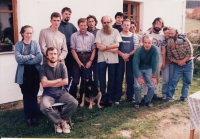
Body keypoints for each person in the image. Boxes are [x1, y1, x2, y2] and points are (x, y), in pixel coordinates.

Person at [40, 47, 78, 134]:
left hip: (62, 93)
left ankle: (62, 119)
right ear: (47, 56)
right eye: (51, 54)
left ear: (57, 55)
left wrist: (49, 82)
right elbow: (44, 84)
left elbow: (65, 81)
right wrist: (58, 80)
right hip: (48, 94)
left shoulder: (61, 65)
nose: (53, 56)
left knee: (74, 102)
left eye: (55, 54)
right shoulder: (43, 67)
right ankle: (61, 122)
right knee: (44, 107)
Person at [14, 25, 42, 125]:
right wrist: (30, 56)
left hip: (34, 72)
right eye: (27, 33)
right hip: (23, 73)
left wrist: (26, 61)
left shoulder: (35, 43)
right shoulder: (18, 45)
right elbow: (18, 59)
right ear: (22, 33)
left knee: (34, 94)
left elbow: (39, 58)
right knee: (26, 94)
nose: (29, 35)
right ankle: (28, 116)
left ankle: (34, 116)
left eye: (30, 33)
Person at [95, 15, 122, 106]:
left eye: (108, 22)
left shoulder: (116, 31)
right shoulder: (99, 32)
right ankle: (103, 98)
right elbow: (98, 46)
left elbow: (117, 45)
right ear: (102, 23)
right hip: (101, 58)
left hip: (113, 59)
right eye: (104, 22)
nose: (106, 24)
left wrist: (105, 47)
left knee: (112, 79)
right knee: (102, 79)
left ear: (111, 22)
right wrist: (111, 48)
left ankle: (110, 98)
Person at [69, 18, 96, 100]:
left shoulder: (91, 36)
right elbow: (72, 49)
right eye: (81, 25)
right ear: (78, 25)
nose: (83, 27)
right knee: (75, 80)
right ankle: (72, 98)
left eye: (84, 25)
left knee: (86, 80)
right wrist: (78, 62)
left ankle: (84, 99)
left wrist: (90, 61)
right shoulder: (74, 35)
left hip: (88, 57)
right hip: (78, 57)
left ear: (87, 25)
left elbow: (94, 49)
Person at [115, 19, 139, 104]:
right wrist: (123, 55)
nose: (126, 27)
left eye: (128, 25)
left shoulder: (134, 36)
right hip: (120, 59)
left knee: (130, 78)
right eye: (124, 25)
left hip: (130, 58)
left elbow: (136, 48)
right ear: (122, 26)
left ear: (130, 26)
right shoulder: (118, 35)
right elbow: (116, 48)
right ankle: (117, 97)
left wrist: (128, 55)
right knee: (119, 78)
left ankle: (130, 96)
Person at [166, 28, 194, 101]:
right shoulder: (169, 43)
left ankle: (184, 96)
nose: (170, 35)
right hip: (177, 64)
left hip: (188, 63)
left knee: (187, 81)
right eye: (169, 33)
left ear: (176, 34)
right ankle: (169, 97)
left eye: (172, 33)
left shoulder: (185, 41)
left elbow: (190, 53)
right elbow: (170, 56)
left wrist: (183, 61)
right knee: (174, 80)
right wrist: (178, 62)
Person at [133, 35, 158, 108]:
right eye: (145, 43)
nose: (147, 45)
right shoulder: (139, 51)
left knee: (152, 86)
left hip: (149, 68)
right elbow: (135, 64)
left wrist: (154, 76)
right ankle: (137, 101)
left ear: (152, 43)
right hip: (139, 68)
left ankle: (148, 100)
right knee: (137, 86)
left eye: (149, 43)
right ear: (143, 42)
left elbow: (154, 62)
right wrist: (138, 76)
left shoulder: (154, 50)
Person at [143, 17, 165, 99]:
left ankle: (155, 93)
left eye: (159, 24)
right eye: (156, 23)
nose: (157, 25)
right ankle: (146, 93)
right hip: (148, 59)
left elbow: (163, 49)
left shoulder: (162, 37)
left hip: (158, 59)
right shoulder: (148, 34)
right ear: (153, 24)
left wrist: (163, 61)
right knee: (147, 76)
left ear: (162, 25)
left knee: (156, 76)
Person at [58, 7, 77, 90]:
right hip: (60, 55)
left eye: (69, 14)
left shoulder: (72, 26)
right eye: (66, 14)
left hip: (70, 56)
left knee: (69, 74)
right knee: (60, 75)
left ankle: (67, 92)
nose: (68, 16)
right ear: (62, 14)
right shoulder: (57, 25)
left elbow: (77, 38)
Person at [86, 15, 99, 91]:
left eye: (92, 21)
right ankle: (88, 93)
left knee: (96, 76)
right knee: (88, 76)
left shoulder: (99, 31)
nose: (91, 23)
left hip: (98, 56)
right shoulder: (85, 32)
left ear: (95, 22)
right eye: (89, 21)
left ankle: (96, 92)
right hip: (88, 57)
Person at [161, 26, 174, 100]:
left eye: (168, 33)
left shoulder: (174, 40)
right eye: (165, 33)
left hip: (173, 62)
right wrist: (163, 62)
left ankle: (170, 94)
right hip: (166, 62)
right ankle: (164, 94)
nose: (166, 34)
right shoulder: (164, 41)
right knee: (165, 79)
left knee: (171, 79)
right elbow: (163, 52)